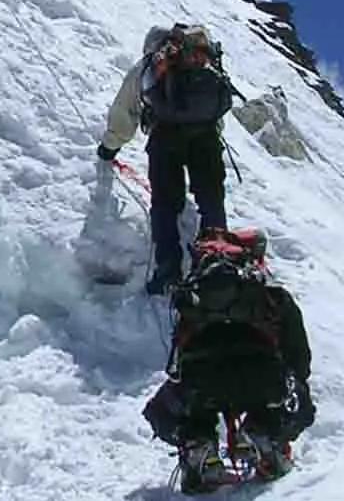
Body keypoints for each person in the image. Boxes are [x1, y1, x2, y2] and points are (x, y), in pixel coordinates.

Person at [143, 229, 315, 492]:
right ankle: (266, 435)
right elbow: (300, 360)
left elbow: (181, 362)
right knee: (299, 401)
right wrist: (289, 386)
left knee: (161, 411)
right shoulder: (271, 297)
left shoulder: (193, 298)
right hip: (264, 378)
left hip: (202, 385)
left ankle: (198, 447)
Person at [97, 24, 235, 294]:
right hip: (205, 136)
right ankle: (216, 260)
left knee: (165, 203)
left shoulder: (148, 67)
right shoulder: (205, 64)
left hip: (165, 137)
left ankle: (168, 269)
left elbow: (124, 115)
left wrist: (109, 148)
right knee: (211, 196)